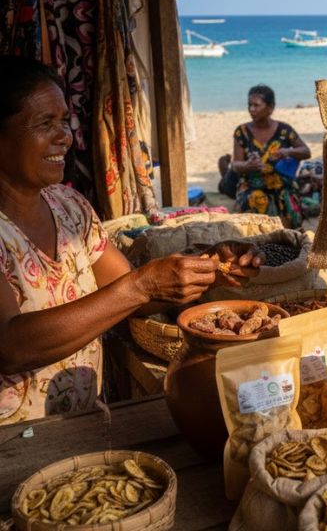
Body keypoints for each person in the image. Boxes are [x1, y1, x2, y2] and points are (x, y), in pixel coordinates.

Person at [0, 55, 264, 425]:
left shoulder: (68, 207)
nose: (65, 136)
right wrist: (141, 285)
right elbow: (10, 347)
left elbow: (130, 296)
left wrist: (208, 267)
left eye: (64, 121)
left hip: (83, 423)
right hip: (12, 444)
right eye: (45, 123)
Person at [230, 84, 311, 228]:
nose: (251, 109)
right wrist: (248, 165)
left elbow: (306, 151)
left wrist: (288, 152)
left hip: (281, 185)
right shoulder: (241, 132)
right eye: (249, 105)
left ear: (270, 108)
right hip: (252, 185)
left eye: (256, 105)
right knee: (255, 202)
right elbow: (236, 164)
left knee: (291, 210)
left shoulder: (284, 131)